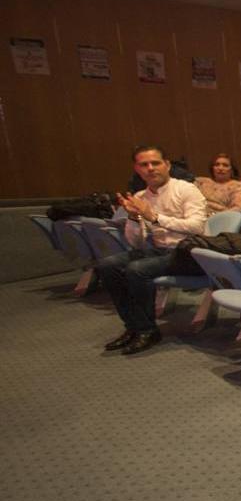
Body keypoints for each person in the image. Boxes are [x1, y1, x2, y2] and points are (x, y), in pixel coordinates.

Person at [97, 145, 208, 355]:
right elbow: (136, 243)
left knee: (137, 269)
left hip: (190, 252)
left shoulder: (186, 189)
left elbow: (196, 227)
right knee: (107, 265)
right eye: (144, 164)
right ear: (136, 169)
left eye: (155, 163)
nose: (150, 168)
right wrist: (133, 217)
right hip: (159, 250)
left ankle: (147, 330)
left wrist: (154, 217)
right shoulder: (141, 197)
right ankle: (134, 326)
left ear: (167, 165)